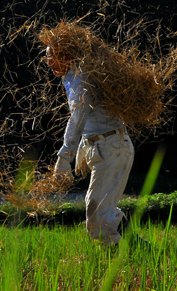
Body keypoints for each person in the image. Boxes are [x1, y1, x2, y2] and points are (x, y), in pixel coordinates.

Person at [45, 43, 134, 245]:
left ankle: (119, 260)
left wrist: (64, 156)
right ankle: (135, 246)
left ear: (68, 55)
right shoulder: (71, 78)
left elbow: (78, 116)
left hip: (113, 147)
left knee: (97, 217)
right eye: (47, 57)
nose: (49, 62)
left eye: (53, 56)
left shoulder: (80, 78)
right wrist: (85, 148)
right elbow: (94, 119)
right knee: (98, 208)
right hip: (107, 146)